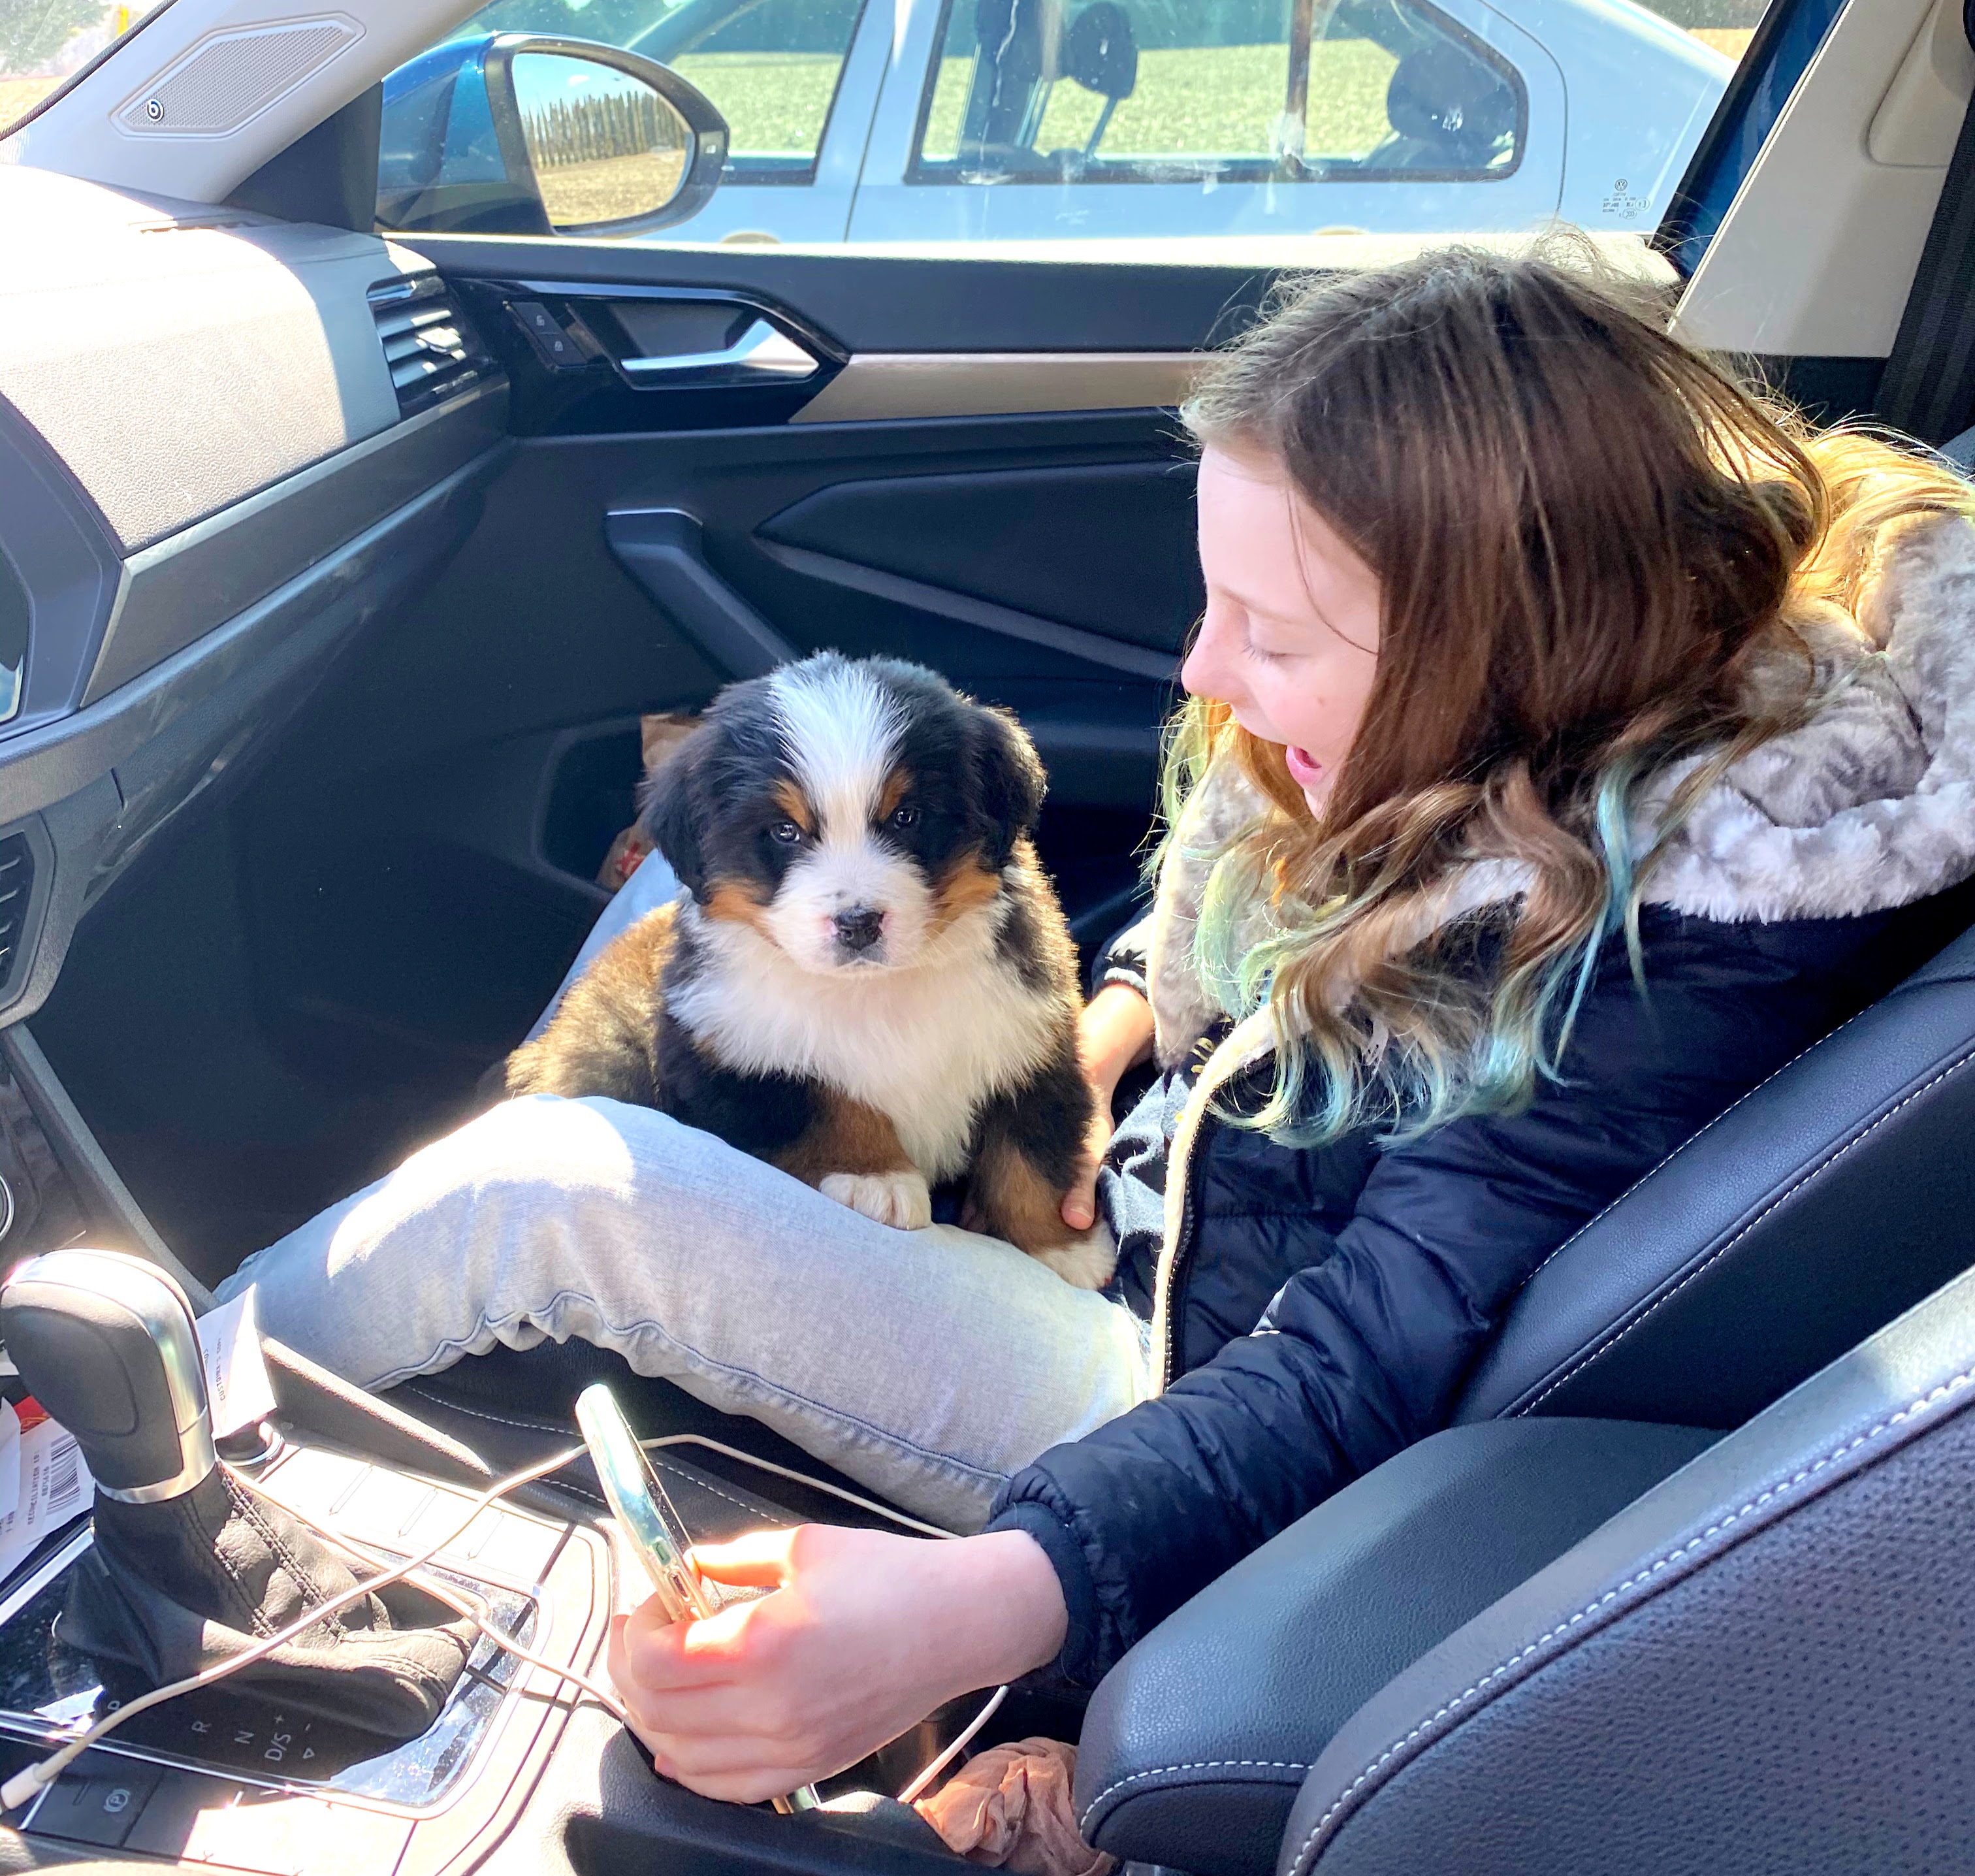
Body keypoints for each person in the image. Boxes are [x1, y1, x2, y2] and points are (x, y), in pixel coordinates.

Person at [220, 242, 1975, 1800]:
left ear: (1505, 651)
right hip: (1156, 1192)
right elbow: (1242, 930)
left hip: (1162, 1375)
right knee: (671, 910)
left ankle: (111, 1455)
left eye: (1271, 635)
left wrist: (970, 1608)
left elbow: (1357, 1368)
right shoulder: (1509, 746)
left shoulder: (1662, 950)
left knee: (532, 1189)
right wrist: (1124, 1024)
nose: (1203, 672)